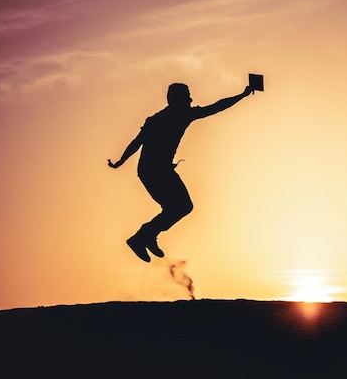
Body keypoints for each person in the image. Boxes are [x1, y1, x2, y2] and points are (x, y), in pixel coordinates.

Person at [108, 82, 253, 261]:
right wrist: (243, 95)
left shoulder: (156, 119)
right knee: (182, 207)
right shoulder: (180, 115)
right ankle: (142, 237)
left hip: (150, 170)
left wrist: (121, 161)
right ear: (179, 100)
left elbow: (136, 143)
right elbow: (216, 107)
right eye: (187, 97)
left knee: (177, 207)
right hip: (156, 171)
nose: (191, 100)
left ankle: (146, 236)